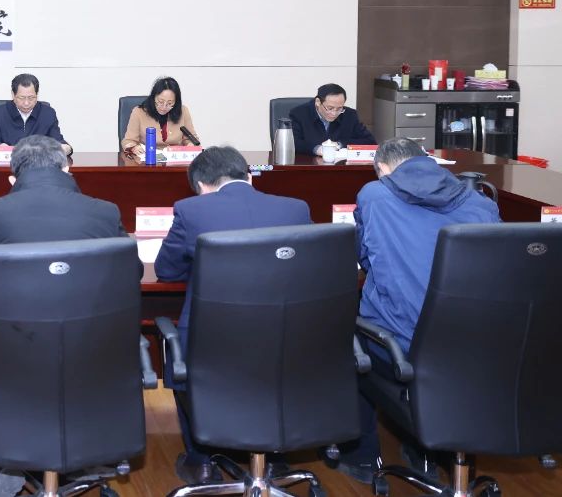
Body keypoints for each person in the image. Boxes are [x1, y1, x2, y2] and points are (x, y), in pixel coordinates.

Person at [331, 137, 500, 485]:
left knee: (345, 337)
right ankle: (425, 449)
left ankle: (360, 457)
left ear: (382, 169)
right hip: (475, 347)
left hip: (403, 347)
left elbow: (366, 257)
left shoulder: (375, 195)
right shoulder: (480, 202)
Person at [154, 146, 311, 485]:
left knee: (181, 352)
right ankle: (275, 459)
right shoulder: (296, 208)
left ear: (201, 185)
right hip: (286, 337)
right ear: (248, 176)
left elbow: (166, 271)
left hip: (214, 342)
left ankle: (201, 461)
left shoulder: (191, 210)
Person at [0, 135, 126, 278]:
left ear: (13, 180)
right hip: (90, 304)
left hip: (17, 304)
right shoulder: (106, 212)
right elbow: (131, 269)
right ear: (66, 169)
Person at [0, 73, 72, 156]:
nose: (26, 103)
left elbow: (59, 141)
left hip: (39, 163)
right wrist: (1, 147)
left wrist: (66, 149)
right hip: (8, 163)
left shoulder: (48, 113)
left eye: (31, 98)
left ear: (37, 95)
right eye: (22, 98)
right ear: (13, 95)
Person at [288, 82, 375, 156]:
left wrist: (340, 144)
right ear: (318, 102)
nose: (334, 113)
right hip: (308, 166)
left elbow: (370, 141)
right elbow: (293, 143)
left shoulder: (350, 115)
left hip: (340, 166)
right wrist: (316, 149)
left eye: (339, 108)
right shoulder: (299, 114)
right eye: (330, 108)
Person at [122, 76, 199, 159]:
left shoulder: (183, 111)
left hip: (175, 161)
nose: (164, 107)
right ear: (153, 97)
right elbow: (129, 141)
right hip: (148, 160)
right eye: (160, 102)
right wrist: (133, 148)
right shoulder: (138, 112)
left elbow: (191, 138)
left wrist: (190, 145)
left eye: (170, 103)